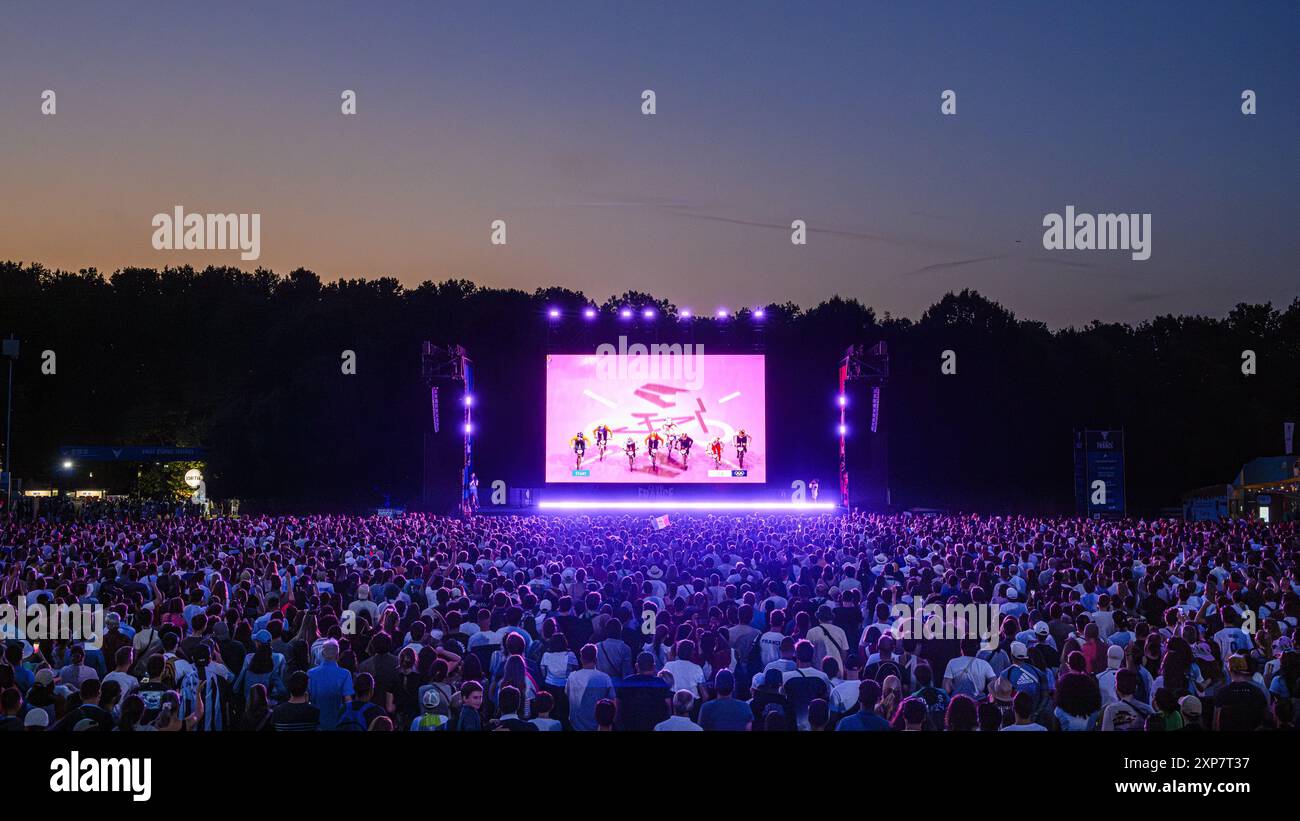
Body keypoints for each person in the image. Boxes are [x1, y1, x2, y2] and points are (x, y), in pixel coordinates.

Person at [566, 644, 616, 731]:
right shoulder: (605, 678)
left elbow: (567, 694)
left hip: (575, 725)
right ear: (596, 660)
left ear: (581, 659)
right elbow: (612, 701)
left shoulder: (572, 677)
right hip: (597, 725)